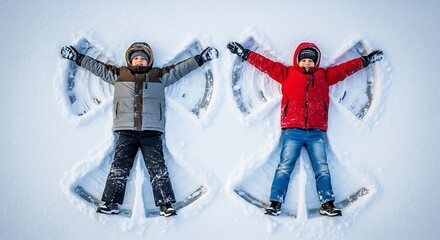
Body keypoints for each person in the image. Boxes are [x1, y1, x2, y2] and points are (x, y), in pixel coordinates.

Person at [61, 42, 218, 217]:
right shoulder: (120, 75)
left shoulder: (158, 75)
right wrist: (77, 57)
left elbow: (179, 69)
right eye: (135, 58)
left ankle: (165, 205)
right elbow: (98, 68)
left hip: (151, 130)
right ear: (130, 60)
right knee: (119, 166)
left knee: (157, 168)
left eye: (143, 59)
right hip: (126, 129)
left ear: (149, 61)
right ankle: (110, 203)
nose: (139, 61)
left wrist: (201, 59)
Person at [227, 41, 383, 217]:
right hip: (293, 130)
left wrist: (366, 60)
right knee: (285, 167)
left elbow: (345, 69)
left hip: (316, 132)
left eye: (311, 60)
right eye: (304, 60)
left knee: (322, 168)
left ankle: (327, 204)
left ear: (316, 62)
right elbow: (267, 65)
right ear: (297, 60)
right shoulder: (287, 74)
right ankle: (275, 203)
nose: (307, 63)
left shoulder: (324, 76)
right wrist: (245, 53)